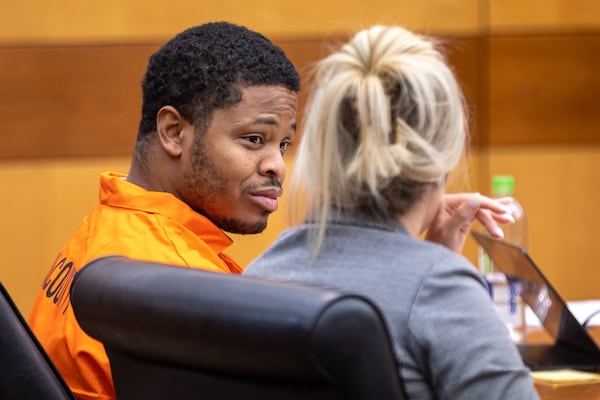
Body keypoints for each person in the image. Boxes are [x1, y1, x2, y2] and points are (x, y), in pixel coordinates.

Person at [244, 25, 540, 399]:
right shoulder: (441, 290)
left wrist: (433, 263)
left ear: (327, 149)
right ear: (443, 157)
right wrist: (436, 272)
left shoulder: (259, 276)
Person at [28, 21, 300, 400]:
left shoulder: (108, 223)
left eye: (284, 144)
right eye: (254, 139)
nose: (278, 166)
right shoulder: (181, 282)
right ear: (174, 132)